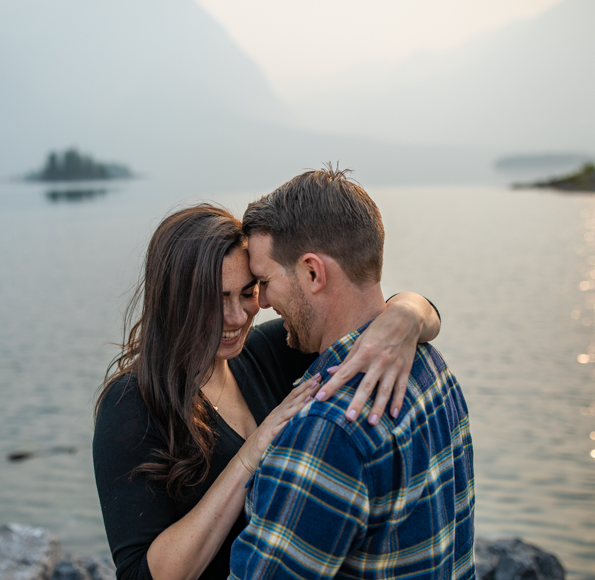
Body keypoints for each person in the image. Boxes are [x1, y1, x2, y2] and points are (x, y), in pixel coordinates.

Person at [93, 204, 442, 580]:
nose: (237, 317)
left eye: (247, 293)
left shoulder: (269, 351)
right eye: (215, 299)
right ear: (175, 298)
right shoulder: (131, 403)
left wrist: (407, 314)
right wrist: (250, 454)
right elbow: (139, 574)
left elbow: (375, 314)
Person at [230, 167, 475, 579]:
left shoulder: (326, 431)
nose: (264, 303)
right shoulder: (434, 369)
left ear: (312, 272)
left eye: (265, 281)